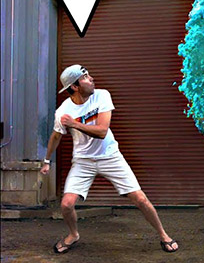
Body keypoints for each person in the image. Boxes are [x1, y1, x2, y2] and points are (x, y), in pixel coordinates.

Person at [40, 64, 179, 254]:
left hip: (110, 157)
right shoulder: (63, 111)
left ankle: (164, 235)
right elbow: (56, 136)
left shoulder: (102, 95)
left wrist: (74, 124)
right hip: (83, 161)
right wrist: (46, 161)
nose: (92, 79)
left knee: (140, 198)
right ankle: (73, 234)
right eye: (86, 78)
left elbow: (102, 132)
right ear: (74, 86)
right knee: (66, 204)